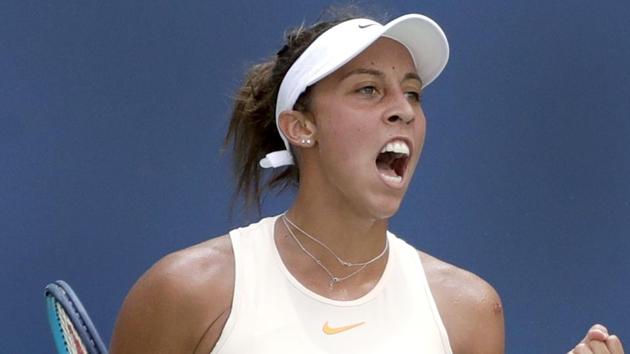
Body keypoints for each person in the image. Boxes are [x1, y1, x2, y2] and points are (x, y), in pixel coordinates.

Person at [109, 8, 625, 354]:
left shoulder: (467, 310)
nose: (402, 110)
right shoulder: (188, 291)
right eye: (368, 90)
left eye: (413, 94)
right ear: (300, 127)